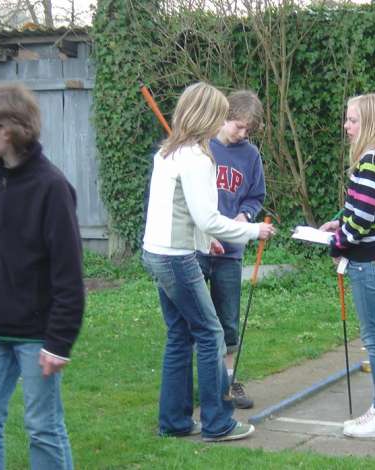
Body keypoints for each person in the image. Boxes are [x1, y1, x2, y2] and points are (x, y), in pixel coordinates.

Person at [141, 82, 275, 442]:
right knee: (211, 332)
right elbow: (208, 218)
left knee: (179, 335)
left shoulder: (169, 152)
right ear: (206, 116)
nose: (223, 122)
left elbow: (182, 214)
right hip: (177, 260)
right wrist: (251, 233)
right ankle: (218, 423)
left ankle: (175, 422)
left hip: (156, 253)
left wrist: (208, 241)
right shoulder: (198, 159)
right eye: (220, 115)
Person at [0, 83, 85, 469]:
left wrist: (59, 343)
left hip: (37, 334)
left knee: (42, 427)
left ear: (8, 130)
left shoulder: (52, 188)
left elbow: (69, 276)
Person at [319, 93, 375, 438]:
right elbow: (359, 205)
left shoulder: (371, 159)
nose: (347, 126)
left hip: (369, 261)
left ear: (368, 122)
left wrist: (336, 243)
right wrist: (336, 222)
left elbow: (364, 218)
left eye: (353, 120)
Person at [198, 90, 266, 410]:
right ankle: (201, 383)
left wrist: (246, 215)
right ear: (224, 118)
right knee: (197, 319)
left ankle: (228, 381)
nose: (243, 134)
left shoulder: (250, 156)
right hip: (198, 248)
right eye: (238, 127)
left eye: (248, 130)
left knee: (227, 321)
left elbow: (255, 196)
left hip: (230, 251)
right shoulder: (201, 148)